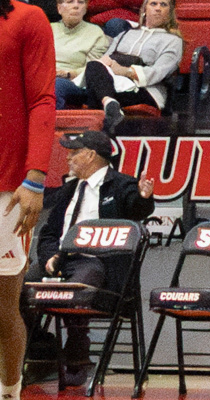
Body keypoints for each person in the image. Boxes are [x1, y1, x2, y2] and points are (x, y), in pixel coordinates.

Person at [26, 128, 153, 391]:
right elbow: (49, 233)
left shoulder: (122, 185)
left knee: (79, 286)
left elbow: (136, 209)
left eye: (74, 153)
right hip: (60, 261)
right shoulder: (69, 188)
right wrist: (50, 257)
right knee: (18, 288)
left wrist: (144, 197)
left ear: (91, 155)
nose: (68, 158)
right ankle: (41, 352)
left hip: (99, 263)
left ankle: (77, 356)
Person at [0, 0, 54, 400]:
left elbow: (41, 100)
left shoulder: (27, 18)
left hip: (8, 185)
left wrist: (35, 177)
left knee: (2, 307)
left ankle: (10, 392)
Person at [57, 0, 181, 123]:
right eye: (153, 4)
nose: (158, 8)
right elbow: (103, 62)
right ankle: (109, 104)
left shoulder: (173, 41)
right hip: (110, 82)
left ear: (170, 12)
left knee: (95, 92)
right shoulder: (126, 33)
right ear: (145, 9)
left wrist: (125, 71)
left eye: (163, 5)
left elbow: (158, 72)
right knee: (67, 81)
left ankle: (104, 114)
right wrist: (104, 64)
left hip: (144, 90)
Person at [48, 0, 110, 98]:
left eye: (80, 2)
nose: (76, 6)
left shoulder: (95, 33)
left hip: (74, 83)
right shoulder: (48, 28)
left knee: (57, 85)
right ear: (59, 8)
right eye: (70, 2)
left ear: (85, 9)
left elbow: (94, 69)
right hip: (45, 77)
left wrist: (69, 74)